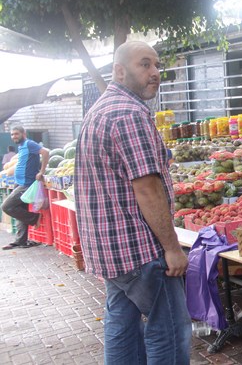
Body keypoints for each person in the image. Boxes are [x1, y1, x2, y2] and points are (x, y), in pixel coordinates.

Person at [74, 41, 191, 364]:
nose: (155, 73)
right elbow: (148, 188)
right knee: (169, 330)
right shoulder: (128, 113)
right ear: (119, 70)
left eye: (156, 65)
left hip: (111, 252)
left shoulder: (101, 108)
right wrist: (171, 247)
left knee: (122, 327)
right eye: (144, 65)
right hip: (139, 251)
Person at [1, 127, 49, 249]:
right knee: (18, 208)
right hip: (19, 182)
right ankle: (20, 241)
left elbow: (45, 152)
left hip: (26, 184)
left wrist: (41, 172)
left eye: (16, 134)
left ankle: (34, 218)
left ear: (23, 133)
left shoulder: (29, 143)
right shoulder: (21, 146)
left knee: (6, 206)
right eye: (12, 134)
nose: (14, 136)